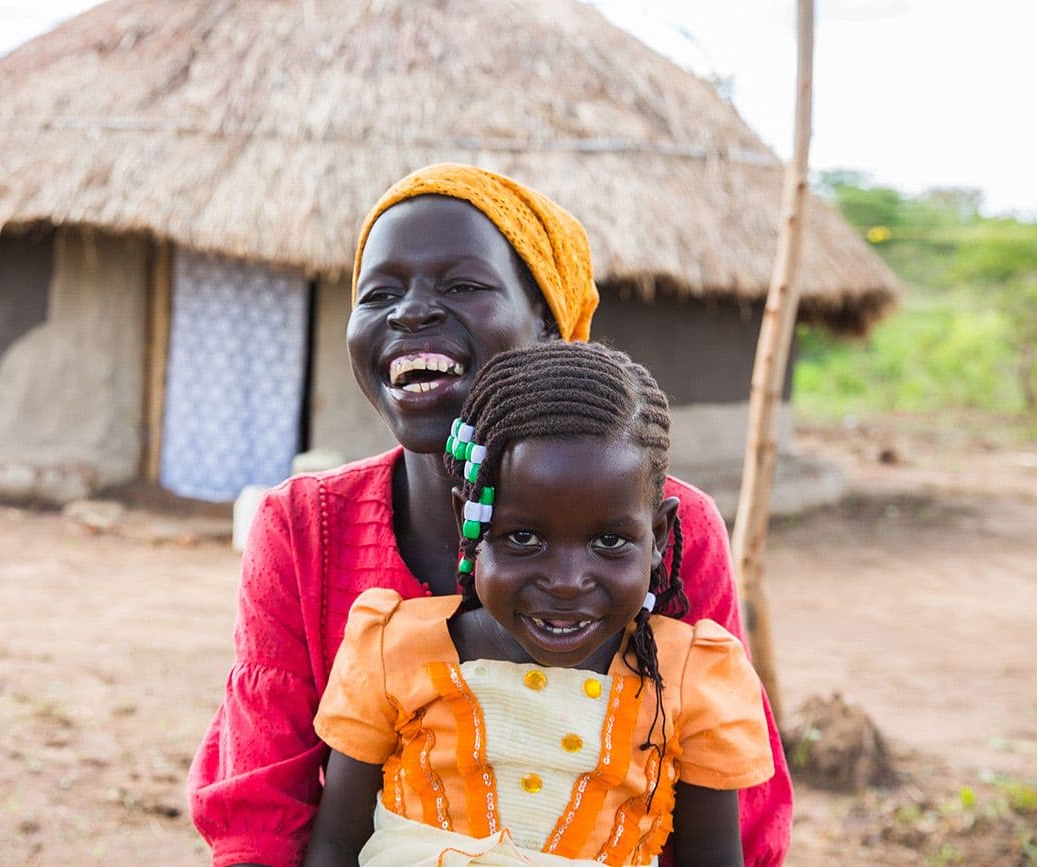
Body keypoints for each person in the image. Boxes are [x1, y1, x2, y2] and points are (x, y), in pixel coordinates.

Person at [187, 164, 792, 867]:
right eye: (378, 292)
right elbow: (258, 812)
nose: (410, 311)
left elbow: (737, 809)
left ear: (549, 323)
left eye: (462, 285)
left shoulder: (675, 526)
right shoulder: (303, 528)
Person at [303, 342, 773, 867]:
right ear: (471, 523)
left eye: (610, 542)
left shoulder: (694, 682)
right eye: (524, 537)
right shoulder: (392, 651)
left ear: (659, 535)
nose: (567, 582)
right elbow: (334, 846)